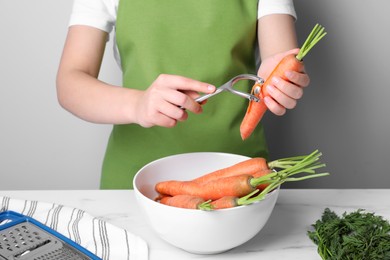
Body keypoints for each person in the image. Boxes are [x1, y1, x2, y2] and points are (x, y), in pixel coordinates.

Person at [56, 0, 310, 189]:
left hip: (240, 181)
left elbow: (279, 60)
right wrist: (137, 105)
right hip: (133, 182)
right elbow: (70, 82)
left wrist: (279, 81)